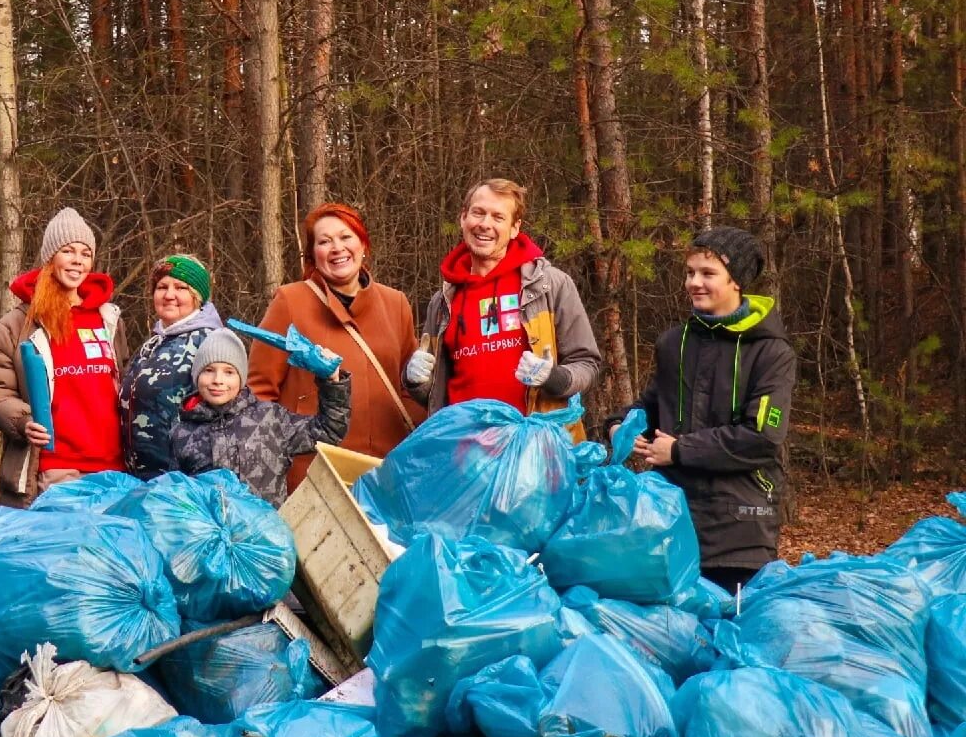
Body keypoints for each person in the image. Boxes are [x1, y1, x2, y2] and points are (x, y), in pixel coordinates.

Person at [619, 226, 794, 595]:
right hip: (673, 521)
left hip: (741, 530)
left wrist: (679, 450)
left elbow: (761, 437)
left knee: (733, 639)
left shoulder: (770, 352)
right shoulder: (672, 344)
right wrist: (622, 425)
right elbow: (652, 405)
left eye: (708, 273)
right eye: (690, 272)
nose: (694, 282)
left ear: (737, 282)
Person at [248, 202, 424, 492]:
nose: (337, 248)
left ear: (363, 244)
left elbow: (407, 391)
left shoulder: (396, 303)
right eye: (324, 241)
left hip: (385, 473)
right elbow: (260, 394)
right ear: (313, 254)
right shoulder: (290, 301)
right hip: (314, 473)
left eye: (346, 237)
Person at [404, 178, 601, 436]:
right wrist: (415, 381)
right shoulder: (443, 302)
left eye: (498, 217)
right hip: (464, 450)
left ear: (515, 227)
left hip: (535, 448)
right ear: (463, 218)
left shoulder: (549, 286)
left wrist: (552, 377)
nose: (485, 224)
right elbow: (436, 393)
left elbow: (587, 364)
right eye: (478, 213)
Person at [0, 208, 129, 507]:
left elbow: (125, 382)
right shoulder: (16, 325)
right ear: (50, 258)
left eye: (85, 253)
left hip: (112, 466)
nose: (77, 260)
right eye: (68, 251)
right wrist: (22, 421)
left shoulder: (109, 320)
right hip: (55, 467)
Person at [171, 329, 351, 507]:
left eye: (229, 372)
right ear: (196, 375)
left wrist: (333, 383)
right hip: (211, 534)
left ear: (241, 378)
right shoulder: (181, 433)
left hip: (268, 533)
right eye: (209, 370)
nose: (218, 380)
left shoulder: (270, 419)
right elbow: (179, 497)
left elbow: (329, 430)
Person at [120, 253, 224, 478]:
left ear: (197, 296)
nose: (169, 295)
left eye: (180, 288)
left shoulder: (209, 342)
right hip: (140, 480)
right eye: (161, 287)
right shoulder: (154, 343)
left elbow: (224, 416)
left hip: (180, 484)